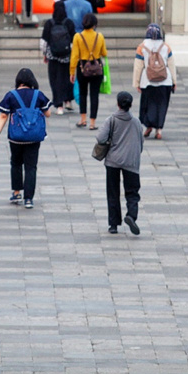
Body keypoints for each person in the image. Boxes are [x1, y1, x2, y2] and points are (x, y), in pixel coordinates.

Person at [0, 68, 51, 208]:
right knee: (31, 167)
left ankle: (17, 192)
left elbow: (3, 115)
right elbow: (48, 113)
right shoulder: (38, 95)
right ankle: (29, 199)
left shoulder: (11, 95)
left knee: (16, 163)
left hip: (16, 137)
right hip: (34, 137)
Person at [98, 91, 145, 235]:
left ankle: (113, 224)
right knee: (132, 192)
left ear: (118, 104)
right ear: (130, 105)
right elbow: (141, 142)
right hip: (131, 161)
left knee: (112, 192)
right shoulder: (136, 122)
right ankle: (131, 216)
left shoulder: (111, 120)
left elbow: (100, 138)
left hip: (112, 161)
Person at [133, 23, 176, 139]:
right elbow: (171, 65)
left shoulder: (142, 47)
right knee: (162, 105)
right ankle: (159, 130)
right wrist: (174, 81)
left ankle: (148, 126)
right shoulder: (166, 46)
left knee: (147, 105)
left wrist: (136, 83)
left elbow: (138, 67)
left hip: (147, 81)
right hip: (165, 81)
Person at [70, 12, 107, 130]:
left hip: (82, 68)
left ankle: (83, 119)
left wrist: (72, 72)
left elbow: (74, 56)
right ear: (94, 24)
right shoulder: (99, 36)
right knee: (94, 95)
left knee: (83, 93)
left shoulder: (78, 37)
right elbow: (104, 53)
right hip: (96, 68)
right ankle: (92, 123)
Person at [40, 1, 75, 114]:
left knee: (55, 80)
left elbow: (44, 41)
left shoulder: (49, 23)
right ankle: (68, 100)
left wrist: (45, 54)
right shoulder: (69, 23)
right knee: (66, 79)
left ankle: (59, 105)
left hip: (53, 56)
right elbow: (73, 42)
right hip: (66, 57)